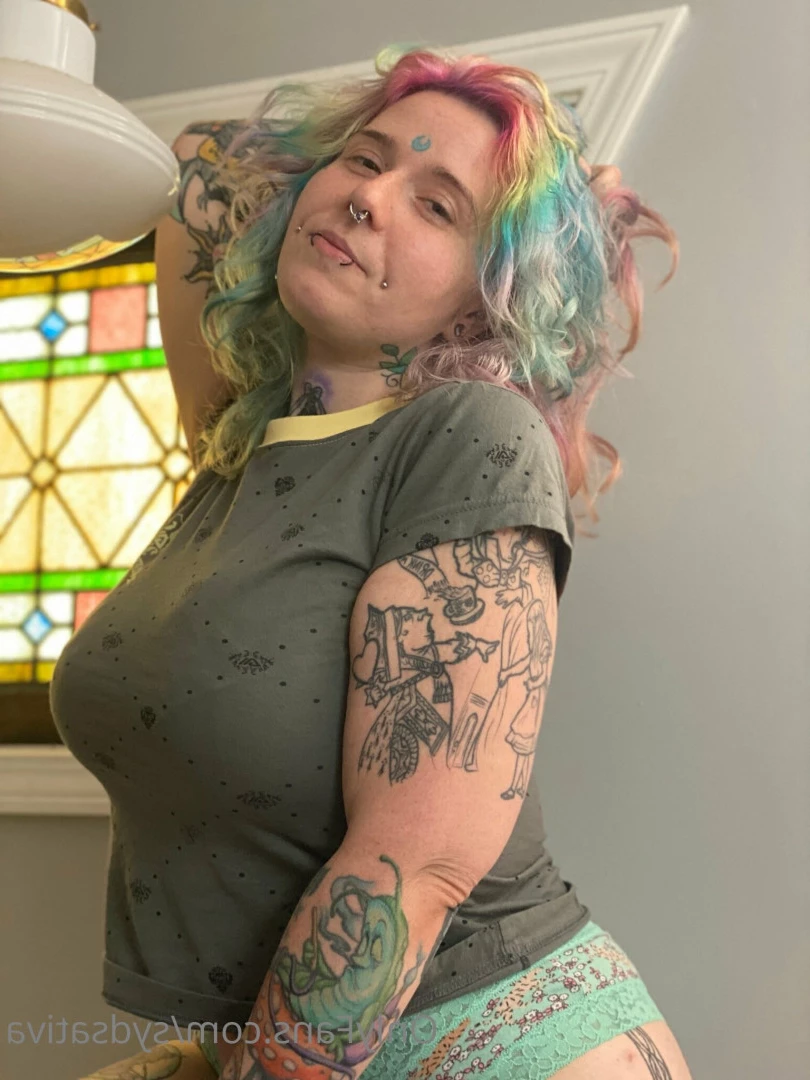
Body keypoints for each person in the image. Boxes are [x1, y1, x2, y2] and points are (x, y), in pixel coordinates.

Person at [57, 44, 691, 1080]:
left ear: (486, 296)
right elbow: (198, 165)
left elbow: (417, 864)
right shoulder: (240, 440)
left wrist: (562, 206)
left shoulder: (469, 434)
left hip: (493, 1043)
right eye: (362, 158)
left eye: (438, 207)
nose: (368, 198)